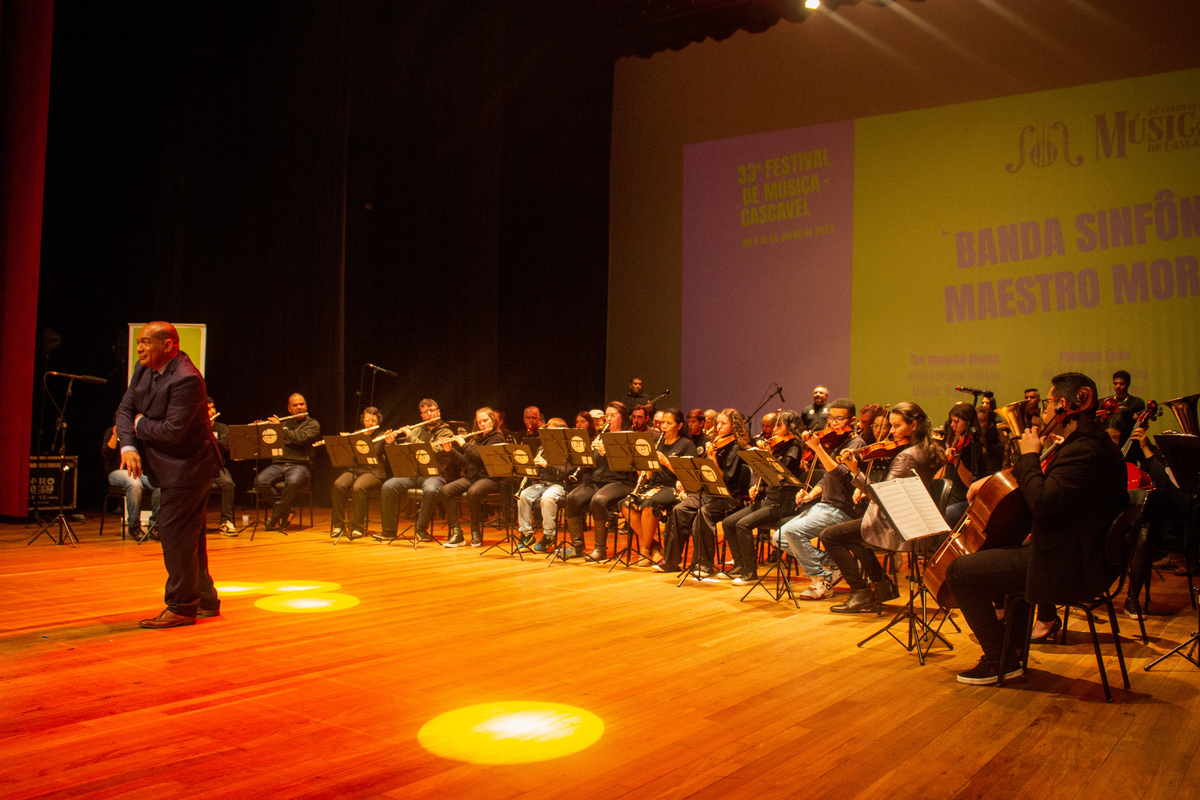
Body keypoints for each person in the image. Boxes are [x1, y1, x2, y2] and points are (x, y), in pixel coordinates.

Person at [946, 372, 1126, 685]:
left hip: (1071, 563)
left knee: (960, 571)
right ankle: (1011, 651)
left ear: (1069, 404)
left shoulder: (1085, 450)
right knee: (1002, 559)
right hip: (1070, 551)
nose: (1044, 411)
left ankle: (999, 658)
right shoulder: (1087, 444)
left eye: (1048, 403)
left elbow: (1042, 503)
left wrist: (1029, 454)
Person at [116, 321, 223, 629]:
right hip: (169, 465)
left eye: (146, 342)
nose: (139, 348)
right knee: (189, 536)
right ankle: (204, 599)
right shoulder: (142, 369)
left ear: (168, 345)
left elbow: (172, 431)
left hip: (189, 466)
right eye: (139, 342)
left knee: (175, 534)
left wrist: (139, 424)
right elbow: (124, 411)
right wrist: (128, 447)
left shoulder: (187, 378)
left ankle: (181, 607)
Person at [819, 402, 944, 613]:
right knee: (853, 534)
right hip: (913, 518)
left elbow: (881, 497)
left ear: (914, 426)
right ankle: (883, 586)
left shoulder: (906, 456)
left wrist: (855, 471)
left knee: (830, 536)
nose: (891, 432)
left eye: (896, 426)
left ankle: (861, 591)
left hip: (895, 524)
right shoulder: (927, 448)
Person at [774, 402, 863, 597]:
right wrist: (810, 494)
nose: (833, 423)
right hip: (824, 506)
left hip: (842, 510)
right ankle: (837, 563)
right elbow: (826, 479)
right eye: (831, 418)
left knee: (793, 532)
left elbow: (841, 475)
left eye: (839, 419)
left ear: (852, 420)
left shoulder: (856, 444)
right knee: (778, 537)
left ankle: (820, 580)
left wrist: (818, 449)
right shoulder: (837, 443)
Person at [656, 408, 750, 577]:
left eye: (724, 423)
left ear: (734, 426)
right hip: (707, 493)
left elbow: (722, 478)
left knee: (703, 514)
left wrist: (712, 457)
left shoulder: (736, 447)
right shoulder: (716, 443)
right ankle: (670, 561)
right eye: (718, 423)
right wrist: (688, 480)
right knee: (679, 510)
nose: (719, 427)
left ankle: (704, 565)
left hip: (727, 497)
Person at [724, 409, 806, 585]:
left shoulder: (794, 448)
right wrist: (754, 486)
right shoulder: (776, 447)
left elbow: (782, 473)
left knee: (742, 525)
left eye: (779, 426)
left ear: (790, 428)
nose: (774, 430)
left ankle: (750, 572)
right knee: (728, 523)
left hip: (784, 504)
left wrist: (768, 456)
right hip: (769, 501)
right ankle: (740, 565)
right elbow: (758, 472)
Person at [562, 401, 635, 562]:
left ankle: (600, 549)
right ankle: (577, 546)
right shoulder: (601, 436)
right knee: (572, 498)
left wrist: (606, 453)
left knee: (599, 500)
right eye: (606, 416)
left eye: (612, 416)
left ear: (622, 418)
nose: (608, 419)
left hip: (622, 481)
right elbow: (592, 464)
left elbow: (629, 467)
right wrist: (585, 455)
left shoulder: (628, 437)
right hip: (598, 480)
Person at [622, 408, 698, 564]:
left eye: (669, 423)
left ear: (679, 426)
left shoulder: (686, 445)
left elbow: (689, 475)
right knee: (626, 504)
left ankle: (645, 550)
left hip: (674, 488)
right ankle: (654, 546)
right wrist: (640, 465)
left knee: (649, 504)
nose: (664, 426)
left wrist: (666, 462)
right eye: (663, 423)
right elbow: (648, 476)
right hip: (654, 485)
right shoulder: (657, 443)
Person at [378, 399, 455, 543]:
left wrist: (411, 437)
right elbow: (404, 453)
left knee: (431, 490)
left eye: (432, 410)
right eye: (425, 412)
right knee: (388, 486)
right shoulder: (417, 430)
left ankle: (421, 529)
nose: (429, 414)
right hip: (414, 474)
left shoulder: (446, 432)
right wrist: (392, 443)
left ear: (438, 412)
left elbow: (433, 450)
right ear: (421, 416)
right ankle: (388, 530)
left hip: (435, 475)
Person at [440, 407, 506, 547]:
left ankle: (475, 531)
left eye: (485, 420)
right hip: (472, 477)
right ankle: (457, 532)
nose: (482, 424)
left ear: (493, 421)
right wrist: (450, 450)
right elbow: (465, 463)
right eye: (479, 422)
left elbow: (481, 458)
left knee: (473, 492)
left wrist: (464, 445)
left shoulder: (496, 438)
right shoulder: (476, 439)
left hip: (490, 478)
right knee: (445, 490)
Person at [254, 393, 320, 530]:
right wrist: (259, 430)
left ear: (306, 406)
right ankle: (286, 510)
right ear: (289, 409)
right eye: (295, 405)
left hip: (300, 465)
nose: (299, 407)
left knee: (293, 482)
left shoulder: (312, 424)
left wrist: (281, 429)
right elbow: (268, 443)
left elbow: (300, 438)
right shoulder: (283, 424)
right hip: (279, 464)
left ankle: (275, 516)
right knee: (260, 481)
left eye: (302, 404)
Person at [329, 407, 385, 540]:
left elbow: (374, 452)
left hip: (373, 471)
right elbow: (347, 455)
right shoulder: (356, 434)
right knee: (338, 484)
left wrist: (358, 440)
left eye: (373, 420)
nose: (370, 423)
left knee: (358, 487)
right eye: (367, 420)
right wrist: (345, 442)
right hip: (355, 469)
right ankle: (338, 525)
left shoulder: (381, 435)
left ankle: (358, 527)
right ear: (363, 421)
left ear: (378, 421)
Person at [516, 418, 569, 551]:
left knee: (547, 498)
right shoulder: (543, 448)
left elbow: (565, 473)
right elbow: (538, 472)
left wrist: (546, 464)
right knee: (523, 495)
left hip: (559, 484)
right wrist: (531, 468)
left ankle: (549, 535)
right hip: (543, 483)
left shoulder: (567, 449)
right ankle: (526, 534)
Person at [102, 423, 160, 541]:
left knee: (159, 484)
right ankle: (134, 526)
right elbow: (106, 454)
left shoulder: (135, 434)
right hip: (116, 472)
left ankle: (155, 525)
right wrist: (115, 436)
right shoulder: (111, 431)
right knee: (134, 483)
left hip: (135, 472)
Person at [207, 398, 237, 536]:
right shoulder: (195, 427)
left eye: (212, 407)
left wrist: (208, 437)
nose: (212, 411)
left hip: (218, 467)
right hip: (199, 468)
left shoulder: (221, 427)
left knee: (228, 484)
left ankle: (225, 521)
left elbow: (225, 445)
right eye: (207, 409)